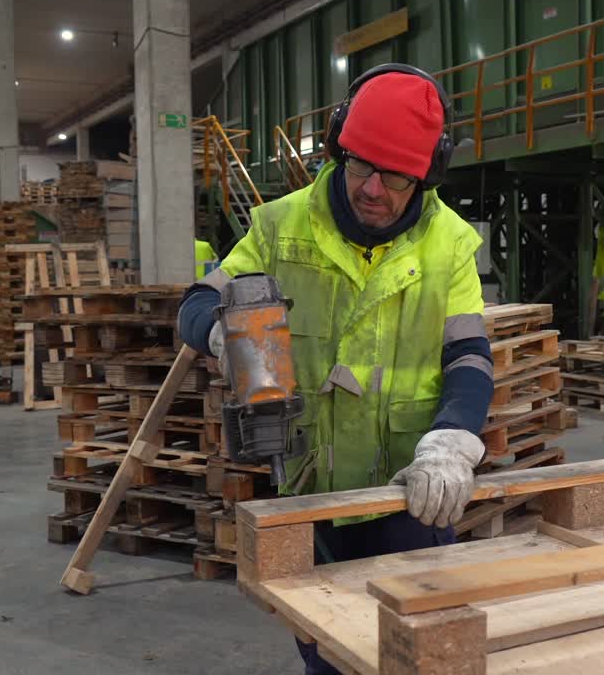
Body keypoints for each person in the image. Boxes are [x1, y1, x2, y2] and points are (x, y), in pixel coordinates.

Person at [176, 64, 493, 674]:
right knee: (324, 653)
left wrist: (453, 443)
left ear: (427, 175)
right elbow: (195, 303)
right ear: (337, 147)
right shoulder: (279, 225)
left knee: (418, 654)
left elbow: (468, 357)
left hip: (409, 496)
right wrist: (224, 336)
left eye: (395, 176)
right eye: (359, 166)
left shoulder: (449, 244)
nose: (372, 189)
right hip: (309, 493)